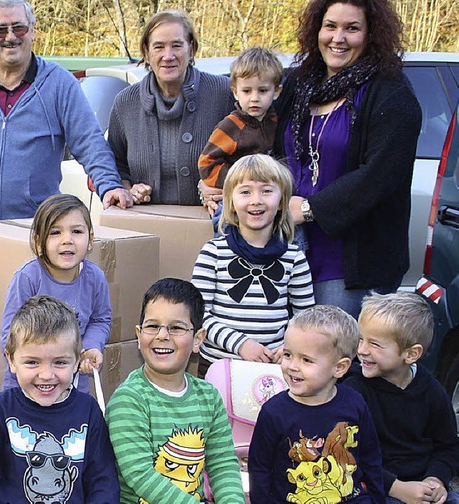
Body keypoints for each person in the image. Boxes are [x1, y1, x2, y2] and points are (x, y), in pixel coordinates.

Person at [0, 0, 131, 250]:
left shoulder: (60, 85)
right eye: (0, 30)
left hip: (35, 231)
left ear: (33, 31)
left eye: (19, 28)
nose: (10, 37)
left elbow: (90, 143)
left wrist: (110, 185)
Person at [272, 0, 422, 318]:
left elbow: (380, 175)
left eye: (351, 28)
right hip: (289, 247)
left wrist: (311, 209)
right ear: (317, 29)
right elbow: (267, 146)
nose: (338, 38)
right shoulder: (299, 82)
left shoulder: (390, 92)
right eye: (330, 26)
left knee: (333, 358)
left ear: (371, 35)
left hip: (349, 261)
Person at [0, 295, 119, 503]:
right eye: (32, 362)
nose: (46, 374)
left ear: (76, 362)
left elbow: (102, 482)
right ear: (11, 360)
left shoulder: (88, 411)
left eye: (60, 362)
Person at [105, 278, 245, 503]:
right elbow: (140, 474)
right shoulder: (129, 399)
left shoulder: (209, 397)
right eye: (153, 326)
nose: (162, 335)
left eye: (176, 327)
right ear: (139, 336)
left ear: (198, 339)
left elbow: (223, 464)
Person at [192, 154, 314, 377]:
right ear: (230, 202)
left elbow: (305, 318)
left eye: (267, 191)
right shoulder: (213, 253)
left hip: (272, 369)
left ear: (281, 202)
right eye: (245, 191)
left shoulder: (294, 258)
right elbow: (198, 314)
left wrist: (288, 348)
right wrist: (241, 344)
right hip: (218, 366)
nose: (256, 200)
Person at [248, 305, 384, 503]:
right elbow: (259, 469)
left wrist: (378, 499)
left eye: (306, 360)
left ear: (339, 368)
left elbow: (370, 457)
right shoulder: (274, 412)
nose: (292, 366)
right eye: (288, 355)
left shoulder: (354, 403)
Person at [107, 9, 234, 206]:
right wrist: (129, 188)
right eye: (159, 47)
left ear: (191, 49)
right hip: (144, 225)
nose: (168, 55)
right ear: (146, 53)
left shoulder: (222, 93)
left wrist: (222, 185)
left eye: (177, 45)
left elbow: (250, 156)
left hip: (211, 225)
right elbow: (116, 164)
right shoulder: (125, 103)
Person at [344, 292, 459, 504]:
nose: (361, 350)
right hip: (374, 485)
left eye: (375, 344)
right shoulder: (353, 390)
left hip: (422, 482)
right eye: (361, 339)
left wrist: (436, 480)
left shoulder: (432, 391)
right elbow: (349, 454)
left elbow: (447, 446)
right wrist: (397, 488)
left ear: (411, 354)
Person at [0, 194, 110, 393]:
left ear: (90, 239)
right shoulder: (28, 278)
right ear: (39, 242)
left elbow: (100, 319)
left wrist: (91, 347)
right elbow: (10, 334)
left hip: (73, 384)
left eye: (76, 231)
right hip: (27, 387)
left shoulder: (95, 278)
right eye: (55, 232)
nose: (67, 240)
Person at [198, 46, 283, 232]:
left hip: (264, 199)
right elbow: (206, 163)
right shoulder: (231, 126)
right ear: (235, 92)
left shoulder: (275, 122)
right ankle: (223, 255)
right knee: (225, 223)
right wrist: (236, 184)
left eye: (262, 91)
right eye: (247, 91)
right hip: (233, 198)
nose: (254, 98)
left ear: (276, 92)